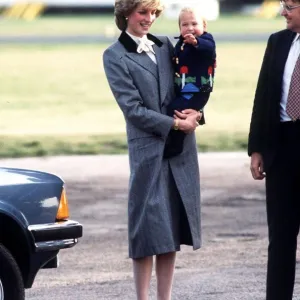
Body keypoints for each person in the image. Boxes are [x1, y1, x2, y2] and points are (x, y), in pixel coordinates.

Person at [103, 0, 202, 299]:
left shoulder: (165, 46)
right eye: (142, 12)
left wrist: (196, 114)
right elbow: (132, 109)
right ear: (125, 14)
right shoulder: (114, 56)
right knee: (147, 229)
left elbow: (191, 84)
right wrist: (173, 124)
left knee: (171, 228)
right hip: (149, 151)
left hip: (180, 149)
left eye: (153, 13)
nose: (149, 19)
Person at [248, 1, 300, 299]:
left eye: (290, 5)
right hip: (280, 148)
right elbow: (263, 96)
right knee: (280, 238)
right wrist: (257, 148)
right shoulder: (277, 41)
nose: (283, 12)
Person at [164, 7, 216, 158]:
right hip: (186, 88)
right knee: (177, 110)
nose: (190, 28)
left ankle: (176, 145)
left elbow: (209, 49)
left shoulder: (206, 40)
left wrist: (196, 42)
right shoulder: (180, 43)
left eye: (195, 24)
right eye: (185, 25)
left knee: (175, 111)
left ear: (204, 26)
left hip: (198, 89)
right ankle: (175, 138)